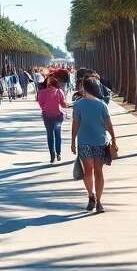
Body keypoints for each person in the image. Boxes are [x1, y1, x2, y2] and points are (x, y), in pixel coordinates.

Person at [71, 78, 116, 214]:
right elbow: (108, 124)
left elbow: (75, 124)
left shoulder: (78, 105)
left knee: (88, 171)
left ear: (84, 88)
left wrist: (73, 141)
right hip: (100, 141)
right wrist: (114, 138)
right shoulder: (102, 105)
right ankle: (99, 202)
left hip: (84, 142)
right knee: (98, 172)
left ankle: (91, 196)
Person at [36, 76, 71, 163]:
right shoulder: (42, 93)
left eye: (53, 86)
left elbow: (62, 103)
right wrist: (48, 107)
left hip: (57, 117)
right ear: (47, 85)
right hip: (48, 117)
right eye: (50, 85)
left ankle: (58, 153)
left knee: (57, 134)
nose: (52, 88)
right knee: (50, 135)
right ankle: (52, 154)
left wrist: (67, 105)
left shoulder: (59, 91)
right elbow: (41, 105)